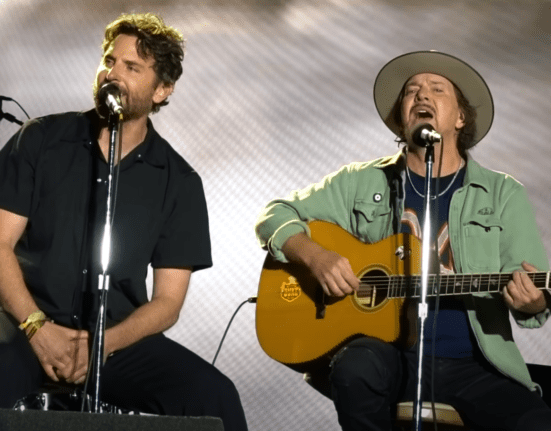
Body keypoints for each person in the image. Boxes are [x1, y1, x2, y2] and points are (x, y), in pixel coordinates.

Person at [255, 51, 551, 430]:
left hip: (474, 366)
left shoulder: (503, 193)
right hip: (386, 357)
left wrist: (533, 300)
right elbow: (273, 214)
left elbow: (533, 302)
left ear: (461, 118)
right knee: (356, 367)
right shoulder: (360, 181)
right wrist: (314, 256)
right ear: (401, 118)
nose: (422, 96)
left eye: (437, 89)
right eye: (412, 91)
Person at [0, 13, 248, 430]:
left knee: (214, 395)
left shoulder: (179, 181)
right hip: (23, 322)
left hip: (112, 341)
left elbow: (168, 302)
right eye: (109, 61)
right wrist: (37, 328)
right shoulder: (40, 140)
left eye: (132, 68)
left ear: (162, 89)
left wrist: (100, 345)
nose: (112, 74)